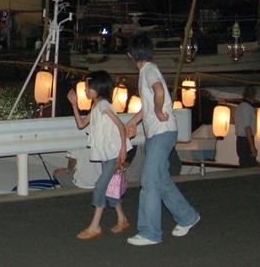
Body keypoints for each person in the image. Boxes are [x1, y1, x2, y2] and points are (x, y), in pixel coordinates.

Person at [124, 35, 199, 246]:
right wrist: (133, 121)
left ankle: (150, 233)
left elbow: (158, 92)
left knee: (148, 181)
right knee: (161, 180)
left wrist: (158, 109)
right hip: (160, 132)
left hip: (161, 132)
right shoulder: (148, 70)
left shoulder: (148, 70)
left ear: (131, 55)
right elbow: (149, 104)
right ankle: (187, 217)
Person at [66, 71, 129, 239]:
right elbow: (81, 124)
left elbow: (121, 127)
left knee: (100, 187)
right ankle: (122, 218)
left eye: (88, 87)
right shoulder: (96, 106)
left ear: (98, 88)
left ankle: (95, 227)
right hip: (106, 153)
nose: (86, 90)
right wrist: (74, 104)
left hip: (113, 154)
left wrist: (122, 151)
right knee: (108, 186)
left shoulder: (103, 106)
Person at [234, 86, 259, 167]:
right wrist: (252, 146)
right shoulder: (247, 108)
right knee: (250, 165)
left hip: (240, 140)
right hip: (246, 141)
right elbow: (247, 128)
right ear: (253, 96)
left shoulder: (239, 107)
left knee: (244, 164)